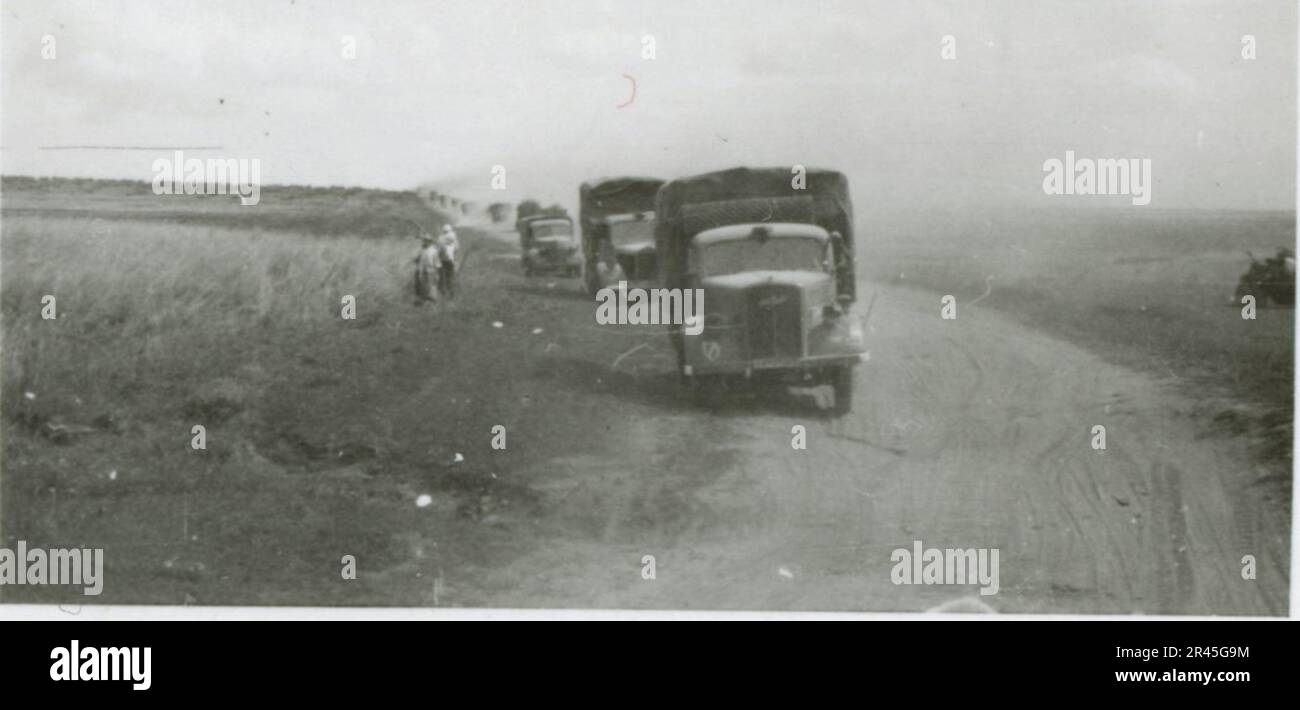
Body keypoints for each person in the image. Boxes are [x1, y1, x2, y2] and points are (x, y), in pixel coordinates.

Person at [413, 233, 439, 304]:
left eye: (427, 241)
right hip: (422, 270)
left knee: (430, 285)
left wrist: (436, 273)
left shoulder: (434, 251)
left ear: (430, 242)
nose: (425, 242)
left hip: (430, 270)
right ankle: (422, 300)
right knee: (421, 285)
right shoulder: (422, 250)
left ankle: (432, 300)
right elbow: (417, 259)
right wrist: (416, 260)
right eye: (424, 240)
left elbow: (437, 263)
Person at [436, 223, 460, 298]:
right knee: (450, 276)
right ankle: (451, 292)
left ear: (443, 231)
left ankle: (443, 291)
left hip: (442, 260)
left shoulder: (440, 238)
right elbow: (457, 249)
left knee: (442, 276)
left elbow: (438, 251)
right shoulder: (454, 238)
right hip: (451, 260)